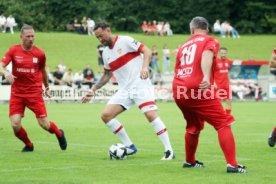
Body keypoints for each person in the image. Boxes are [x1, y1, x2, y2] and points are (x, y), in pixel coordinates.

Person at [81, 22, 175, 160]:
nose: (100, 40)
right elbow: (107, 75)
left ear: (108, 30)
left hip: (140, 84)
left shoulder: (125, 41)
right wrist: (93, 89)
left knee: (150, 115)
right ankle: (130, 146)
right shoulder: (105, 53)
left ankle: (169, 151)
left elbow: (147, 51)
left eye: (101, 36)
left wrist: (144, 67)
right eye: (97, 38)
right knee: (106, 115)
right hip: (125, 90)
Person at [172, 17, 247, 173]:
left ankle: (190, 161)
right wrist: (206, 76)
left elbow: (178, 68)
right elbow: (207, 53)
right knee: (223, 123)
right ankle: (232, 165)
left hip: (179, 89)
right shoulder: (209, 40)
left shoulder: (183, 46)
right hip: (198, 88)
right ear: (206, 29)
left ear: (192, 30)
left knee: (193, 126)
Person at [0, 24, 67, 152]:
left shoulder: (40, 53)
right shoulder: (13, 50)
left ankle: (59, 133)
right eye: (28, 36)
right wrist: (5, 73)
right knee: (15, 124)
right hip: (17, 94)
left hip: (34, 93)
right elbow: (1, 66)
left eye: (32, 36)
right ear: (21, 37)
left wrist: (47, 87)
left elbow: (43, 71)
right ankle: (29, 145)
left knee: (44, 125)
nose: (31, 39)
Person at [214, 47, 232, 114]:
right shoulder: (215, 61)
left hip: (226, 85)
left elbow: (227, 72)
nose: (223, 54)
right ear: (218, 53)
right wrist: (213, 83)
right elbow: (210, 73)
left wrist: (230, 83)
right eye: (222, 53)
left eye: (225, 53)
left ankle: (227, 118)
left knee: (229, 102)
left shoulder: (228, 61)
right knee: (219, 103)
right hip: (218, 85)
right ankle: (220, 118)